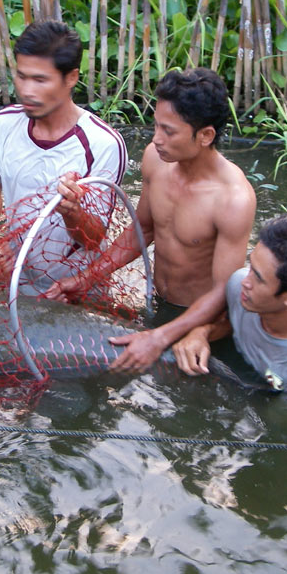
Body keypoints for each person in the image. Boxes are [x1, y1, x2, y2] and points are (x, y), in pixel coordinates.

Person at [44, 67, 256, 368]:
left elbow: (225, 292)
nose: (156, 139)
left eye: (169, 131)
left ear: (206, 135)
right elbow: (142, 229)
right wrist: (83, 279)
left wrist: (160, 337)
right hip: (161, 303)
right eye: (156, 126)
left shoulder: (232, 198)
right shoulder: (156, 161)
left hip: (204, 321)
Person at [0, 20, 127, 295]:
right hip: (15, 275)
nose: (27, 91)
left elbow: (94, 239)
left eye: (40, 80)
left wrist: (73, 213)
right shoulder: (3, 124)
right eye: (22, 76)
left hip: (74, 287)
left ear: (71, 78)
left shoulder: (104, 144)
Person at [172, 215, 287, 413]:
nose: (246, 280)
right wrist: (201, 333)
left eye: (259, 278)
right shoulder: (240, 286)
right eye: (251, 266)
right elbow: (229, 323)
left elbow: (278, 429)